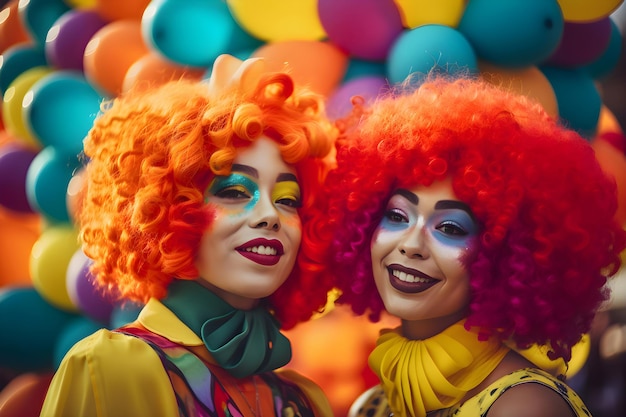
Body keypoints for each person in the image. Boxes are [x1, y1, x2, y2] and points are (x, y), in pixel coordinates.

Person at [40, 54, 337, 417]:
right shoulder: (110, 366)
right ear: (168, 209)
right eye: (234, 192)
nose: (269, 216)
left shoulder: (305, 400)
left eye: (288, 200)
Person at [319, 76, 626, 417]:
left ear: (507, 256)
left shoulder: (523, 408)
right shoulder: (373, 406)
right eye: (397, 216)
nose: (411, 244)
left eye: (450, 227)